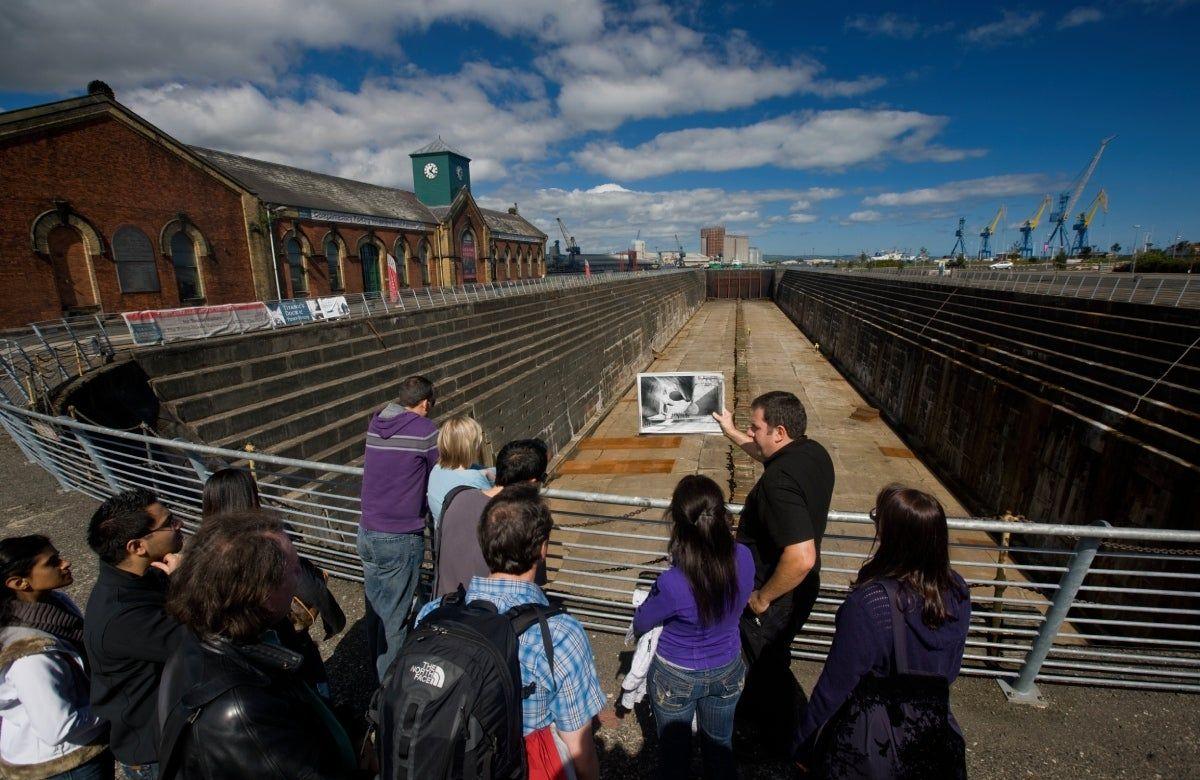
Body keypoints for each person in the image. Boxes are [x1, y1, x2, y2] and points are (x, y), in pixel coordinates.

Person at [417, 485, 605, 780]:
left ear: (484, 542)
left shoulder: (433, 613)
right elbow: (578, 744)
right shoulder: (559, 634)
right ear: (543, 548)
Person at [157, 511, 360, 779]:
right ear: (260, 592)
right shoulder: (242, 714)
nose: (302, 574)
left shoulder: (203, 635)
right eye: (294, 569)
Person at [795, 485, 970, 778]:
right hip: (930, 730)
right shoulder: (957, 589)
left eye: (879, 520)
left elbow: (835, 684)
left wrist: (804, 742)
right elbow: (950, 668)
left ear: (894, 538)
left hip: (871, 735)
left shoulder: (872, 602)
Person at [712, 390, 834, 754]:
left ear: (779, 432)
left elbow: (801, 556)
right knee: (775, 656)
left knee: (765, 665)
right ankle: (774, 726)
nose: (751, 434)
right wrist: (731, 432)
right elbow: (766, 454)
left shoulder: (778, 484)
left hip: (778, 591)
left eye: (755, 427)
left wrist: (762, 598)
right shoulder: (813, 453)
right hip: (802, 589)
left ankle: (774, 740)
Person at [632, 475, 754, 780]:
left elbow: (642, 621)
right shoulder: (744, 557)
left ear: (678, 524)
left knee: (675, 756)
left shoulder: (672, 582)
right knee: (720, 745)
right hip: (728, 666)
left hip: (676, 673)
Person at [200, 468, 345, 699]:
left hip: (242, 651)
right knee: (314, 693)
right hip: (285, 641)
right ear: (249, 497)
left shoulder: (202, 550)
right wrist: (335, 622)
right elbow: (309, 587)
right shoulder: (265, 542)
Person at [83, 488, 185, 780]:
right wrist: (183, 582)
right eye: (169, 523)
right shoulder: (123, 617)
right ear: (137, 546)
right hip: (157, 752)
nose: (178, 525)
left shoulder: (140, 578)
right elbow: (199, 636)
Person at [1, 535, 111, 779]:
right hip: (66, 763)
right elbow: (58, 727)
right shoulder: (30, 654)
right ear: (19, 582)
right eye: (52, 562)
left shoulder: (53, 605)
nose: (66, 563)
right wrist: (115, 704)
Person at [358, 375, 438, 680]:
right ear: (426, 402)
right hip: (399, 537)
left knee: (377, 613)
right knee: (396, 620)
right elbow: (438, 471)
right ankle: (389, 693)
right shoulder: (425, 430)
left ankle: (375, 676)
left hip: (366, 532)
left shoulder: (375, 423)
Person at [433, 438, 548, 598]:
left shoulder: (457, 497)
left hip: (445, 609)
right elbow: (532, 582)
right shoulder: (524, 518)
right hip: (490, 615)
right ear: (532, 481)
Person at [425, 415, 494, 525]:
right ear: (470, 447)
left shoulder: (437, 470)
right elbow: (496, 512)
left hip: (446, 538)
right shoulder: (473, 479)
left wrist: (487, 472)